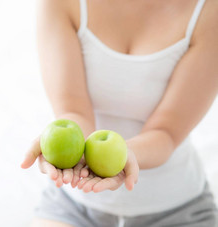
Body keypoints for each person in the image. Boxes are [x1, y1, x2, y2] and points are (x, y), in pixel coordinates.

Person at [21, 0, 218, 226]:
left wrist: (124, 154)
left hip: (176, 210)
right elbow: (72, 108)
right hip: (74, 206)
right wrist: (71, 150)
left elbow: (166, 133)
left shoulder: (210, 12)